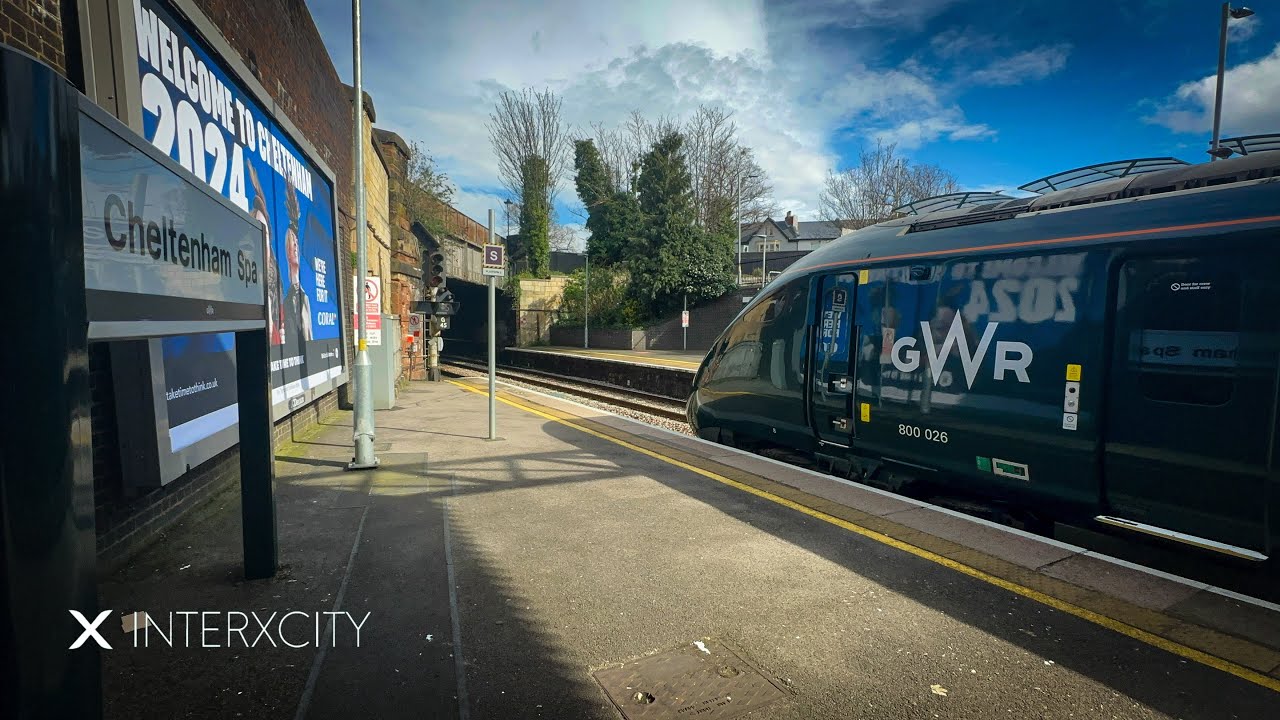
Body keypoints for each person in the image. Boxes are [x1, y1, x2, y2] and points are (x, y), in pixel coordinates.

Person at [247, 160, 284, 346]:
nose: (264, 239)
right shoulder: (246, 277)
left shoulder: (275, 276)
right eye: (258, 234)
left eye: (266, 233)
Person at [281, 179, 313, 353]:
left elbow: (309, 336)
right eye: (291, 241)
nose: (295, 245)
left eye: (296, 242)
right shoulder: (285, 299)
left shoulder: (305, 298)